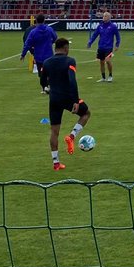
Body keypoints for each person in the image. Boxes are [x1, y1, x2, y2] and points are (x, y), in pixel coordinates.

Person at [43, 37, 91, 171]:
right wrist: (75, 100)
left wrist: (47, 88)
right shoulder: (70, 61)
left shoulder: (47, 62)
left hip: (54, 98)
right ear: (65, 48)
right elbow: (72, 81)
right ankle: (71, 136)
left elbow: (43, 80)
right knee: (86, 113)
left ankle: (56, 163)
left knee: (54, 131)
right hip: (68, 97)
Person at [21, 14, 58, 94]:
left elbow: (27, 44)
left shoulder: (33, 32)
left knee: (41, 73)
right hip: (49, 54)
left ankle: (44, 87)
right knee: (49, 71)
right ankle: (48, 86)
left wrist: (23, 54)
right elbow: (55, 38)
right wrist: (50, 42)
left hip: (39, 56)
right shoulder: (49, 29)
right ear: (44, 20)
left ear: (36, 21)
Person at [87, 11, 121, 82]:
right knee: (101, 62)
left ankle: (110, 76)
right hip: (101, 47)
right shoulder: (100, 26)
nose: (104, 17)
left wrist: (117, 45)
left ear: (109, 17)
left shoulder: (113, 26)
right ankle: (103, 77)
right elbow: (95, 35)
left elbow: (117, 36)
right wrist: (90, 42)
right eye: (103, 16)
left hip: (109, 47)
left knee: (108, 61)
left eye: (105, 16)